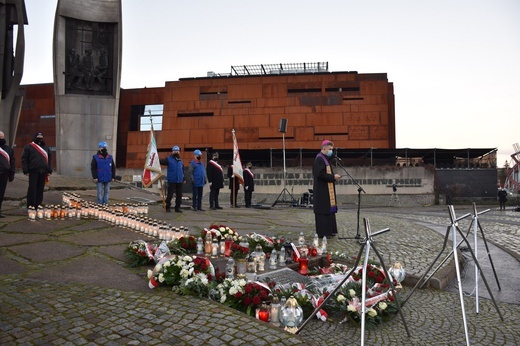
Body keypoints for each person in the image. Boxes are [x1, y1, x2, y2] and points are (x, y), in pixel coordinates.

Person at [312, 140, 341, 238]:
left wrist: (333, 177)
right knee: (323, 210)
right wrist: (333, 177)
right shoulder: (319, 159)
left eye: (332, 149)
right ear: (324, 148)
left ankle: (330, 231)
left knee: (329, 210)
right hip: (322, 190)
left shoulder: (325, 159)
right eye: (330, 149)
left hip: (327, 189)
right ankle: (323, 233)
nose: (331, 151)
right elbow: (320, 174)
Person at [21, 132, 52, 210]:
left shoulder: (45, 147)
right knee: (32, 188)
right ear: (35, 137)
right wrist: (26, 170)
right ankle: (30, 205)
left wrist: (49, 170)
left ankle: (38, 204)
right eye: (38, 136)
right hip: (33, 171)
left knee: (40, 189)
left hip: (43, 171)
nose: (40, 138)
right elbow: (24, 159)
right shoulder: (28, 147)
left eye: (41, 136)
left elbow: (50, 159)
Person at [160, 145, 185, 212]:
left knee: (179, 195)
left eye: (177, 151)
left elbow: (182, 170)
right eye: (175, 151)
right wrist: (156, 158)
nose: (176, 152)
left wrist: (183, 178)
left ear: (179, 152)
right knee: (170, 195)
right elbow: (162, 162)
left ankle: (177, 208)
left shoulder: (180, 160)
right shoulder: (168, 159)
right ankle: (167, 207)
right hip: (172, 180)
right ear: (172, 152)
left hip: (179, 180)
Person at [0, 131, 15, 217]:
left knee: (1, 194)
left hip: (4, 175)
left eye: (1, 137)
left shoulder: (9, 149)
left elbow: (12, 162)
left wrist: (11, 174)